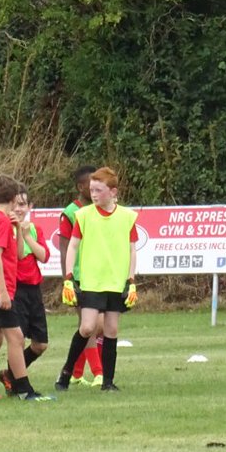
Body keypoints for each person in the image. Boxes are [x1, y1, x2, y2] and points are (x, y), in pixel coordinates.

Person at [56, 167, 139, 392]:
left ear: (113, 192)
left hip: (115, 281)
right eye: (92, 190)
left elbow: (132, 250)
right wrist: (68, 277)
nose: (94, 194)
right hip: (92, 281)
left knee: (111, 330)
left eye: (99, 190)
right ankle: (65, 373)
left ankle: (108, 382)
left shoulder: (127, 216)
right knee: (87, 327)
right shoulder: (83, 216)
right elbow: (72, 246)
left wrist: (131, 281)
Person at [0, 174, 50, 401]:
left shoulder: (2, 220)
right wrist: (3, 292)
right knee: (16, 338)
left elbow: (15, 255)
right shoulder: (1, 221)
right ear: (12, 196)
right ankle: (25, 391)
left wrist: (17, 232)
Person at [0, 190, 50, 396]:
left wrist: (27, 236)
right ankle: (19, 384)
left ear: (30, 207)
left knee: (40, 344)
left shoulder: (34, 229)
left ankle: (9, 375)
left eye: (23, 204)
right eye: (15, 204)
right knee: (16, 340)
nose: (19, 208)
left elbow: (44, 256)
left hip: (33, 291)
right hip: (15, 290)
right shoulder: (6, 228)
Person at [59, 165, 104, 386]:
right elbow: (64, 248)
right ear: (80, 187)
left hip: (98, 275)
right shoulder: (70, 212)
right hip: (78, 276)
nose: (95, 189)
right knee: (90, 326)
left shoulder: (101, 210)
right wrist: (66, 279)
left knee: (93, 326)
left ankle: (74, 372)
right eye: (91, 185)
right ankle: (98, 372)